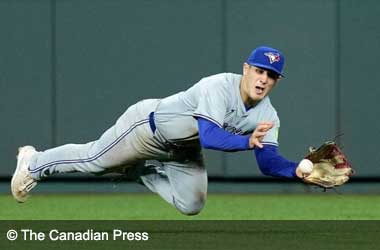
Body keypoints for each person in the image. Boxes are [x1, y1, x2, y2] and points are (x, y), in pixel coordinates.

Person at [11, 46, 308, 216]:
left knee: (191, 205)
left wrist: (297, 171)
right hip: (147, 128)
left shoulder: (269, 115)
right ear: (246, 69)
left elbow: (269, 162)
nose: (263, 79)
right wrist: (246, 141)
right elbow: (209, 136)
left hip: (182, 150)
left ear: (277, 81)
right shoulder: (219, 86)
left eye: (271, 75)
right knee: (95, 161)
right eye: (259, 70)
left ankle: (135, 171)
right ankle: (33, 163)